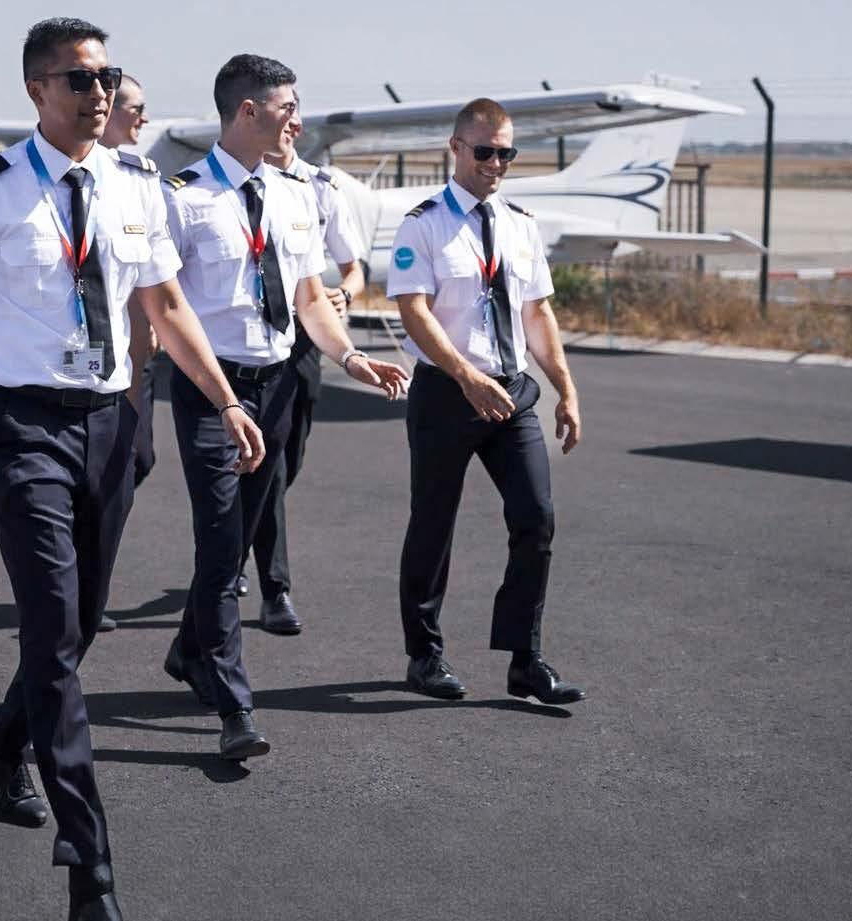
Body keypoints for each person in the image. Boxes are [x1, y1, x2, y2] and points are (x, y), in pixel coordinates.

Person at [0, 19, 263, 921]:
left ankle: (0, 744)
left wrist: (225, 399)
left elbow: (167, 304)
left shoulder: (135, 184)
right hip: (18, 425)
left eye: (106, 76)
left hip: (107, 421)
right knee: (50, 624)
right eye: (78, 78)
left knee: (74, 627)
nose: (98, 91)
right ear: (37, 89)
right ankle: (90, 863)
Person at [161, 53, 408, 759]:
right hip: (212, 389)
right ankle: (234, 707)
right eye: (287, 106)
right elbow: (166, 309)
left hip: (275, 385)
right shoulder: (181, 199)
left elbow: (306, 299)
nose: (297, 118)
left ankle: (187, 651)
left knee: (239, 534)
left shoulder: (297, 195)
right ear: (249, 110)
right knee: (219, 543)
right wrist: (218, 396)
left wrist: (352, 358)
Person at [386, 97, 587, 706]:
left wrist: (566, 389)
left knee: (536, 517)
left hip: (512, 393)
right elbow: (414, 311)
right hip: (447, 393)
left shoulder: (522, 224)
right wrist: (465, 376)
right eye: (484, 152)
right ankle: (424, 655)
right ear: (456, 149)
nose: (496, 164)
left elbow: (537, 313)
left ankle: (525, 660)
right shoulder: (422, 224)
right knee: (433, 524)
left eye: (506, 153)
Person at [243, 111, 369, 636]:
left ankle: (240, 540)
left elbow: (354, 268)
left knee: (288, 458)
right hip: (250, 336)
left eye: (295, 121)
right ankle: (275, 590)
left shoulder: (319, 188)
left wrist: (345, 295)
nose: (288, 128)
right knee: (268, 468)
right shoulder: (238, 183)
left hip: (305, 334)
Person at [93, 72, 152, 634]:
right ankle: (85, 594)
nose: (144, 119)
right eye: (135, 108)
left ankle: (85, 585)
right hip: (78, 366)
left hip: (133, 362)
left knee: (138, 461)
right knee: (102, 476)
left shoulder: (141, 183)